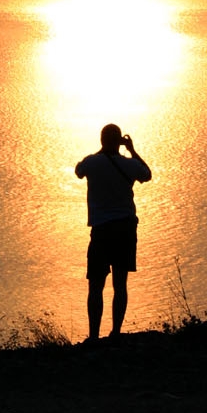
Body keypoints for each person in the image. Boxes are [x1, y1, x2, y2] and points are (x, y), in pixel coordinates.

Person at [75, 124, 151, 343]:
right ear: (120, 142)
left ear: (101, 140)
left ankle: (94, 336)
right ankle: (116, 332)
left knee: (96, 285)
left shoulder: (92, 162)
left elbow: (79, 171)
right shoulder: (129, 164)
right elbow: (147, 174)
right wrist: (132, 150)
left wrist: (102, 151)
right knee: (120, 283)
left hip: (101, 230)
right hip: (125, 228)